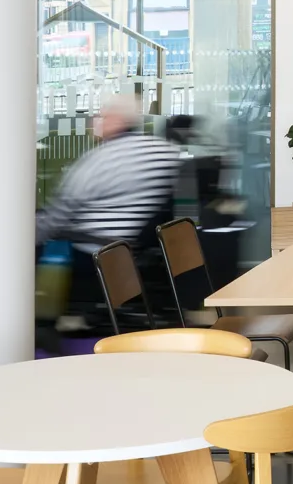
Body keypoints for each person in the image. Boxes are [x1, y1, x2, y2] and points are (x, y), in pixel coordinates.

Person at [36, 93, 183, 327]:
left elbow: (59, 215)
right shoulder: (162, 151)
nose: (95, 121)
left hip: (97, 251)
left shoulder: (99, 160)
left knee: (33, 243)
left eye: (101, 116)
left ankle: (42, 322)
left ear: (117, 120)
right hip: (133, 246)